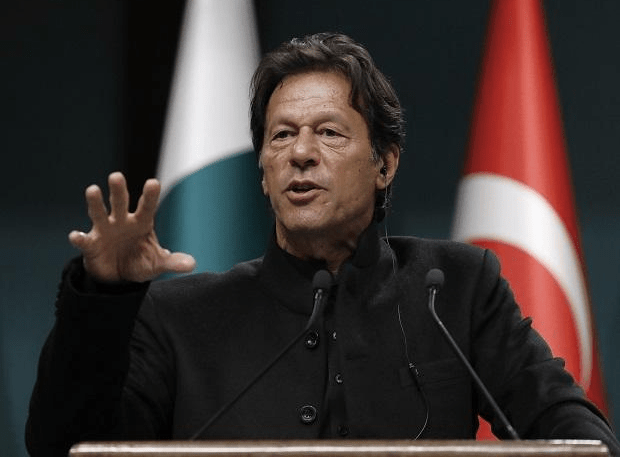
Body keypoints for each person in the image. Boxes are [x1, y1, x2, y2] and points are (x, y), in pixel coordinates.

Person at [26, 32, 619, 457]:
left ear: (384, 164)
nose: (301, 153)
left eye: (329, 132)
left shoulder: (454, 289)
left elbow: (571, 430)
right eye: (281, 136)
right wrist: (102, 296)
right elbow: (65, 444)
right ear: (263, 173)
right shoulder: (180, 316)